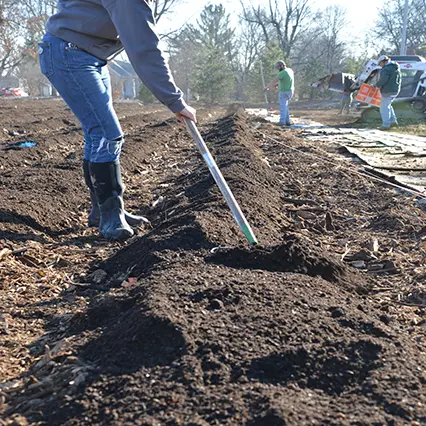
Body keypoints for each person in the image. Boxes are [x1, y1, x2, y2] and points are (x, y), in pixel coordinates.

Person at [38, 0, 196, 242]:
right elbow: (144, 49)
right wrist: (175, 101)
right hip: (70, 54)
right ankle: (111, 215)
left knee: (97, 133)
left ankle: (103, 211)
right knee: (106, 133)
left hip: (87, 54)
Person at [264, 61, 295, 126]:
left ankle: (282, 122)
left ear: (282, 66)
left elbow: (274, 81)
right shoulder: (290, 70)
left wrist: (267, 87)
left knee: (282, 107)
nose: (278, 69)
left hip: (284, 91)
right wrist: (278, 84)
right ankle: (287, 121)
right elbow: (287, 80)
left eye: (278, 67)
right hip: (290, 91)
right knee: (285, 106)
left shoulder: (282, 73)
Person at [376, 55, 401, 130]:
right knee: (388, 105)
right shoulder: (395, 67)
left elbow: (383, 80)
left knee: (384, 108)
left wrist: (376, 85)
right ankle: (393, 122)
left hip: (388, 90)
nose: (380, 66)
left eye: (380, 64)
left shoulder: (386, 69)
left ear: (383, 62)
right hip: (395, 90)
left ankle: (386, 125)